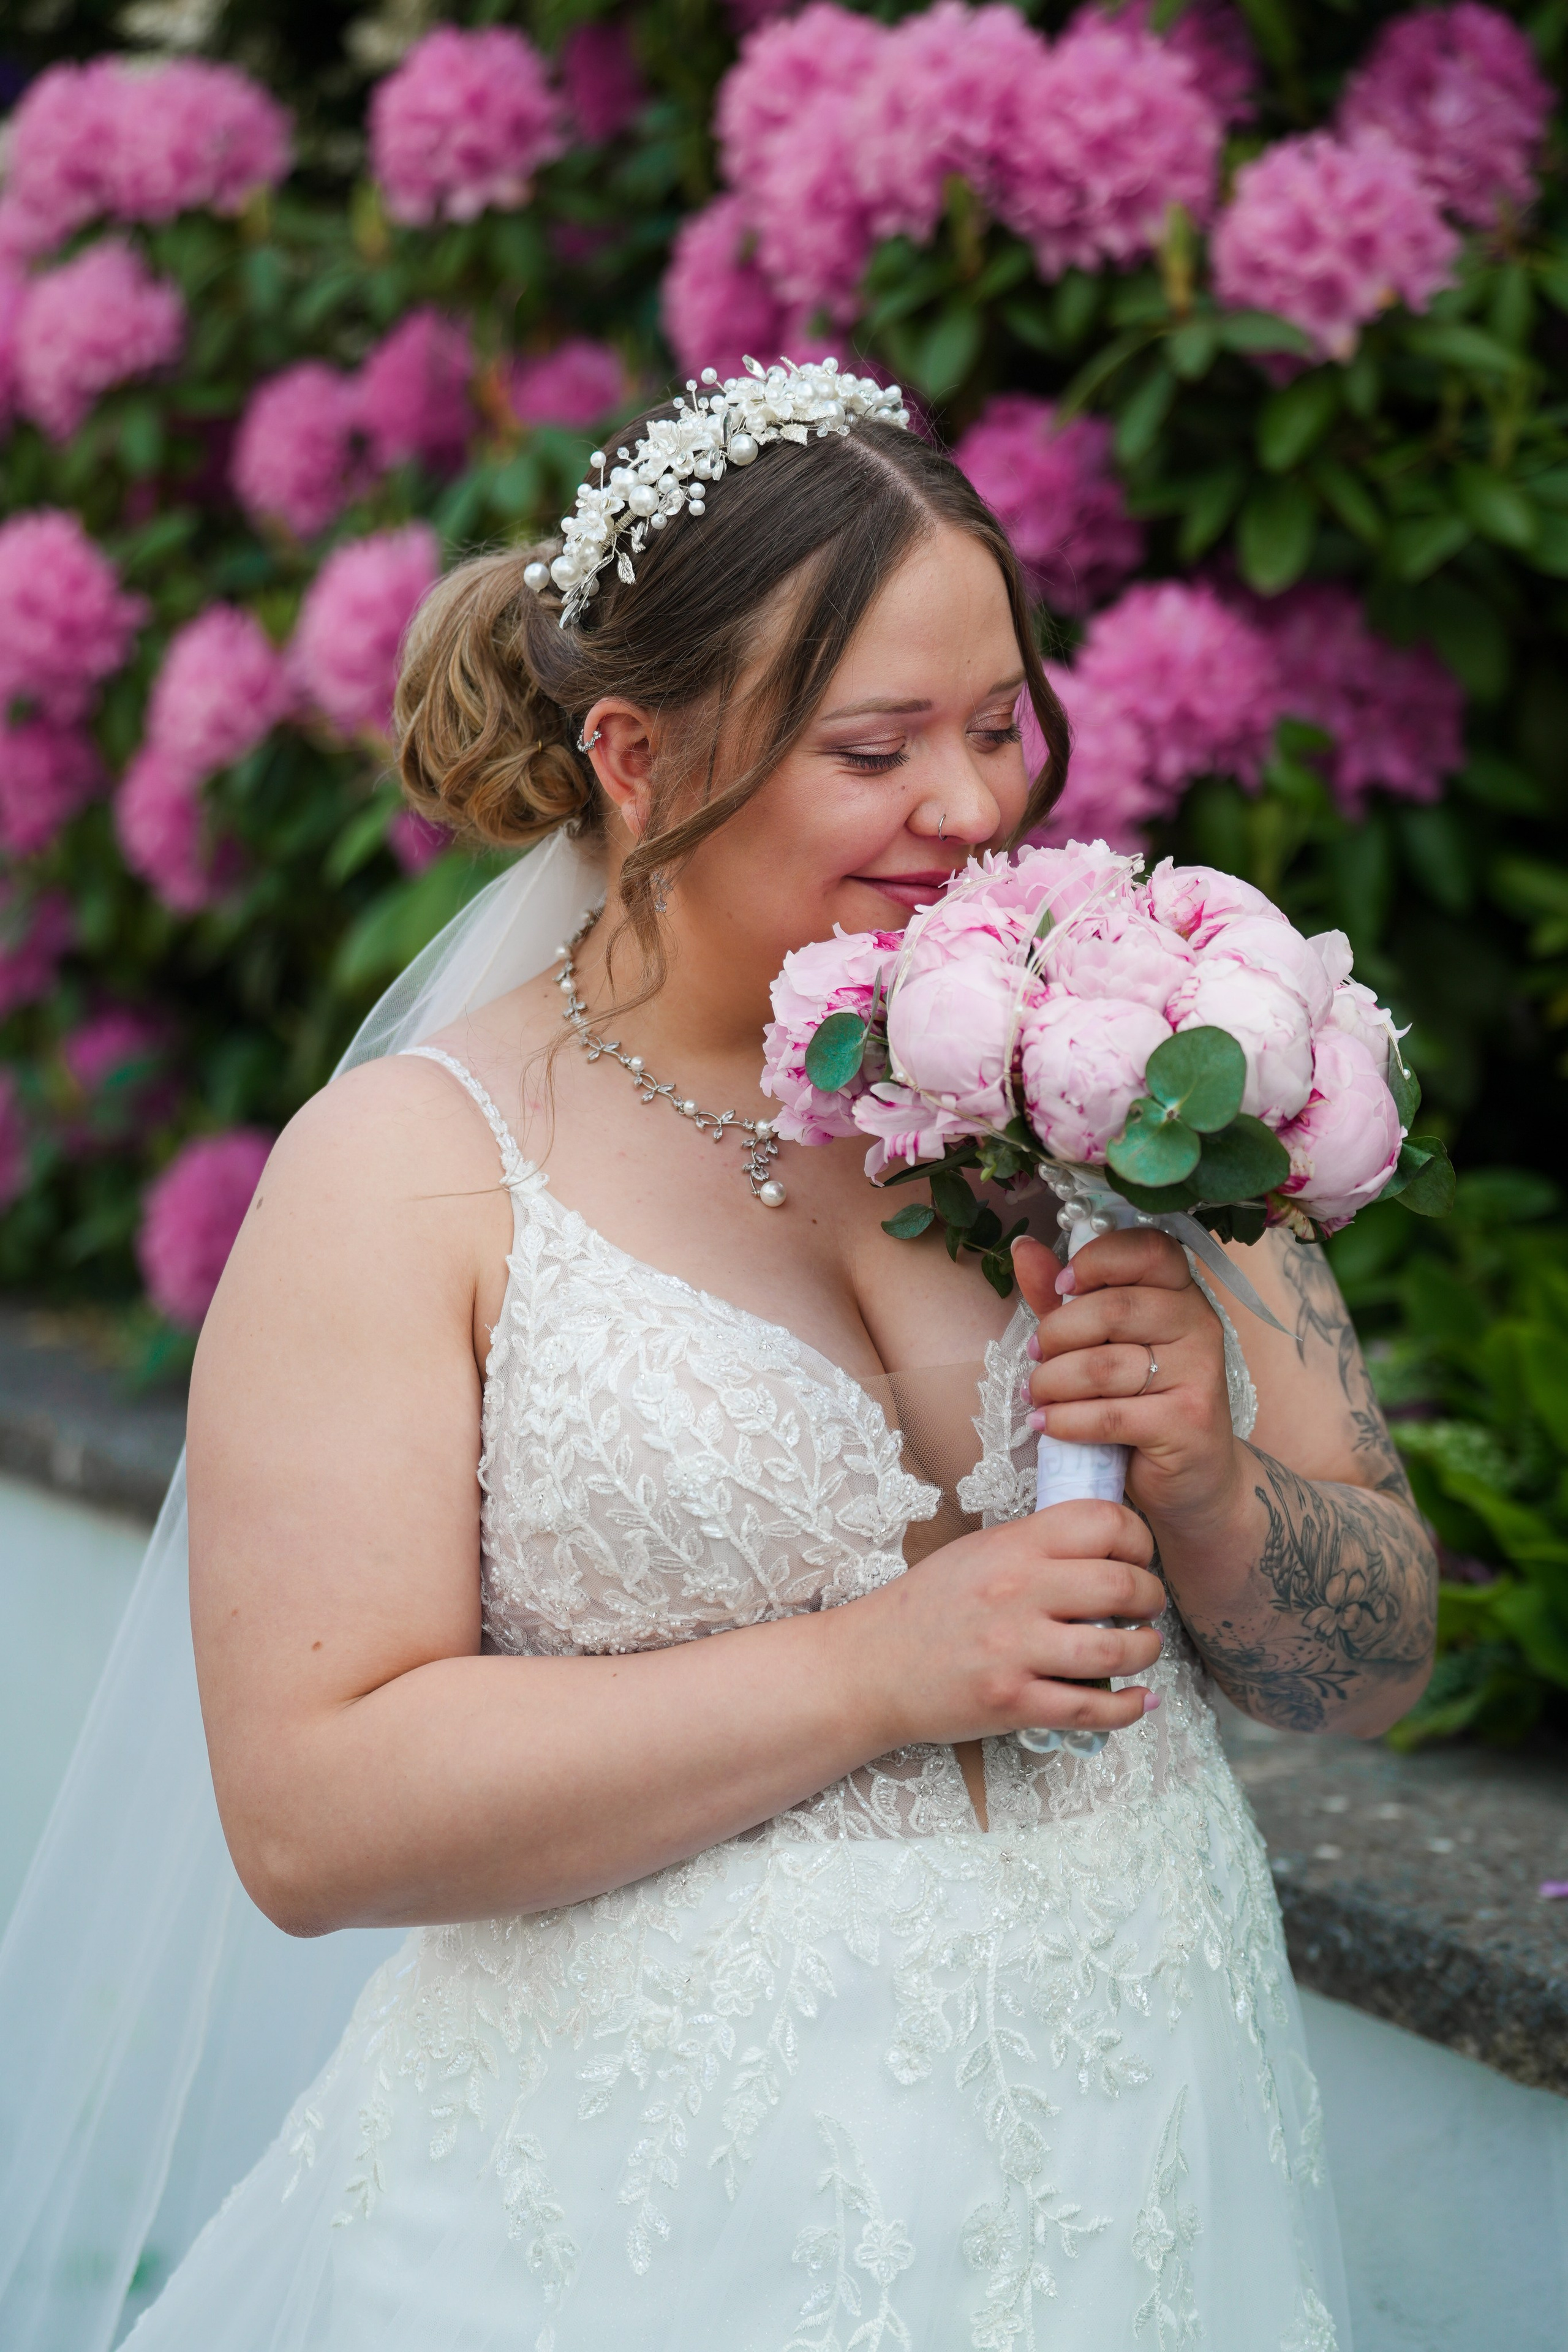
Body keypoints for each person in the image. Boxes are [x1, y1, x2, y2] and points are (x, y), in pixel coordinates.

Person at [11, 363, 1435, 2351]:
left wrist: (1207, 1480)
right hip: (625, 2237)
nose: (974, 803)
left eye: (1000, 720)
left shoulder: (1133, 1060)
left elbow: (1360, 1668)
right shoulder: (413, 1176)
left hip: (1140, 2173)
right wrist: (871, 1672)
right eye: (876, 747)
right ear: (634, 753)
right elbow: (312, 1816)